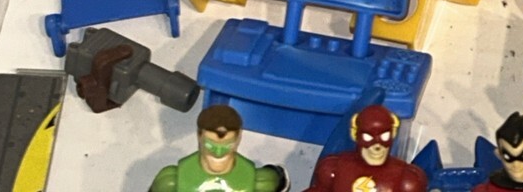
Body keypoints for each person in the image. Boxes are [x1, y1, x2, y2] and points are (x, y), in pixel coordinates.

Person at [149, 104, 287, 192]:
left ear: (238, 138)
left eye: (227, 145)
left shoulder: (262, 181)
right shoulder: (170, 180)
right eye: (211, 144)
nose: (218, 153)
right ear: (199, 136)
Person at [306, 105, 426, 192]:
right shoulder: (333, 169)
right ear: (355, 134)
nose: (377, 146)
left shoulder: (407, 180)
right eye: (368, 137)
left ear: (392, 134)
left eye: (384, 136)